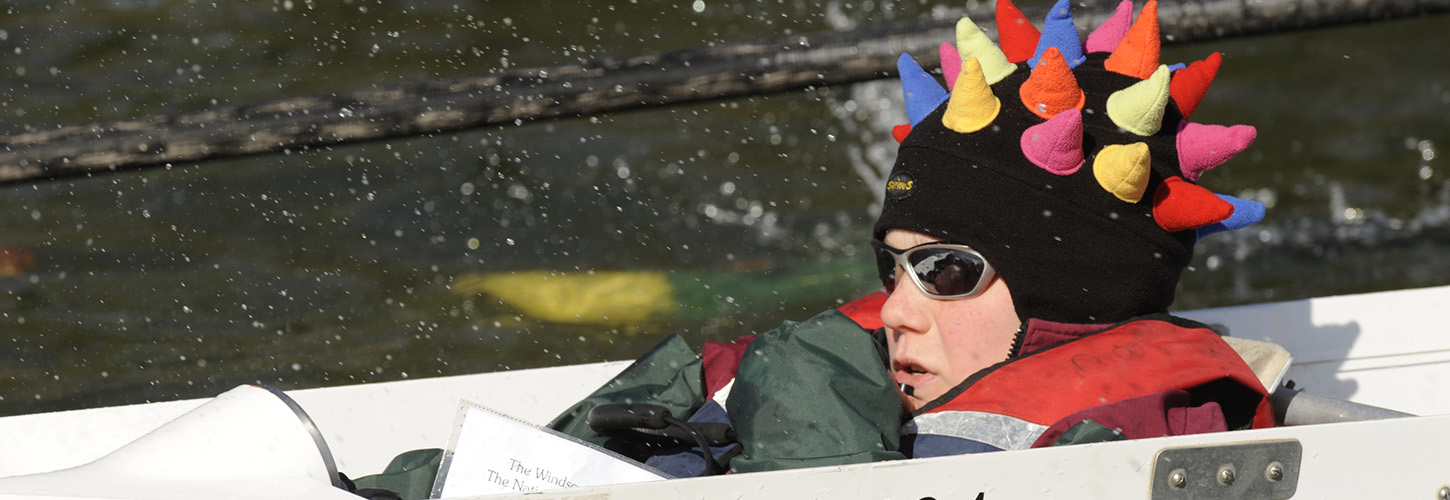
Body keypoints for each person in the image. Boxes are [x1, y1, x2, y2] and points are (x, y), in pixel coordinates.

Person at [357, 0, 1278, 495]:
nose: (901, 310)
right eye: (895, 267)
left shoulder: (1151, 438)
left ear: (1072, 297)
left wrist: (812, 407)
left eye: (946, 271)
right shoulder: (839, 365)